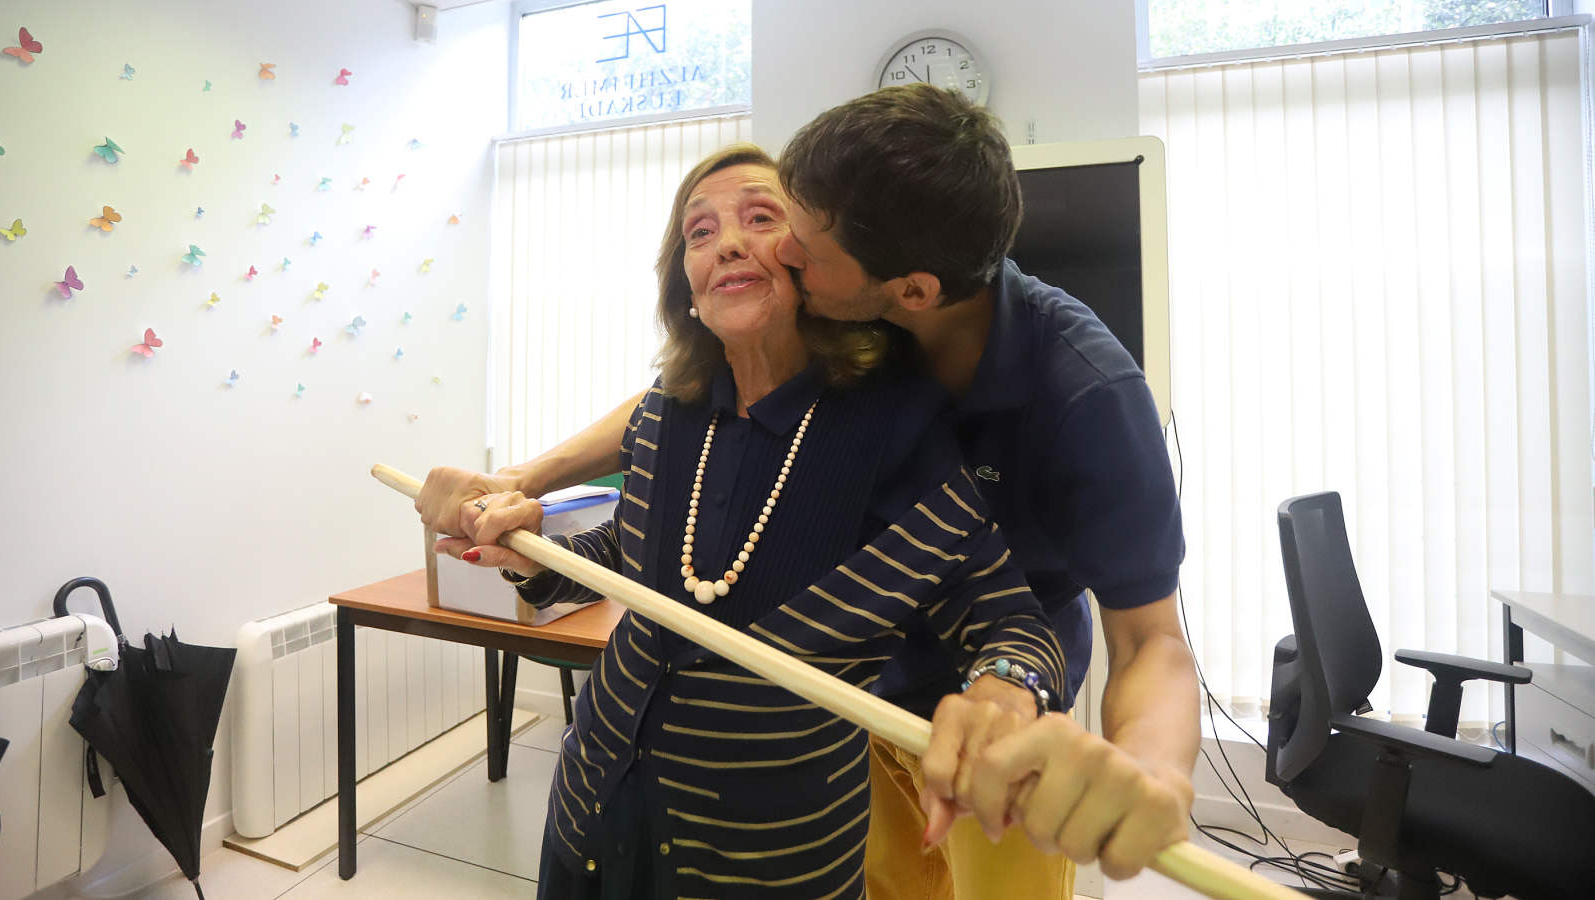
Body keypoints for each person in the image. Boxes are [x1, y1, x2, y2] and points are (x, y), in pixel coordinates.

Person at [419, 85, 1199, 898]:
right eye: (701, 229)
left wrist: (1134, 770)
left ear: (908, 294)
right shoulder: (706, 402)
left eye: (780, 229)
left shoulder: (1060, 397)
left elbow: (1138, 640)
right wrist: (516, 498)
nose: (766, 249)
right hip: (831, 716)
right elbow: (663, 435)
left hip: (987, 718)